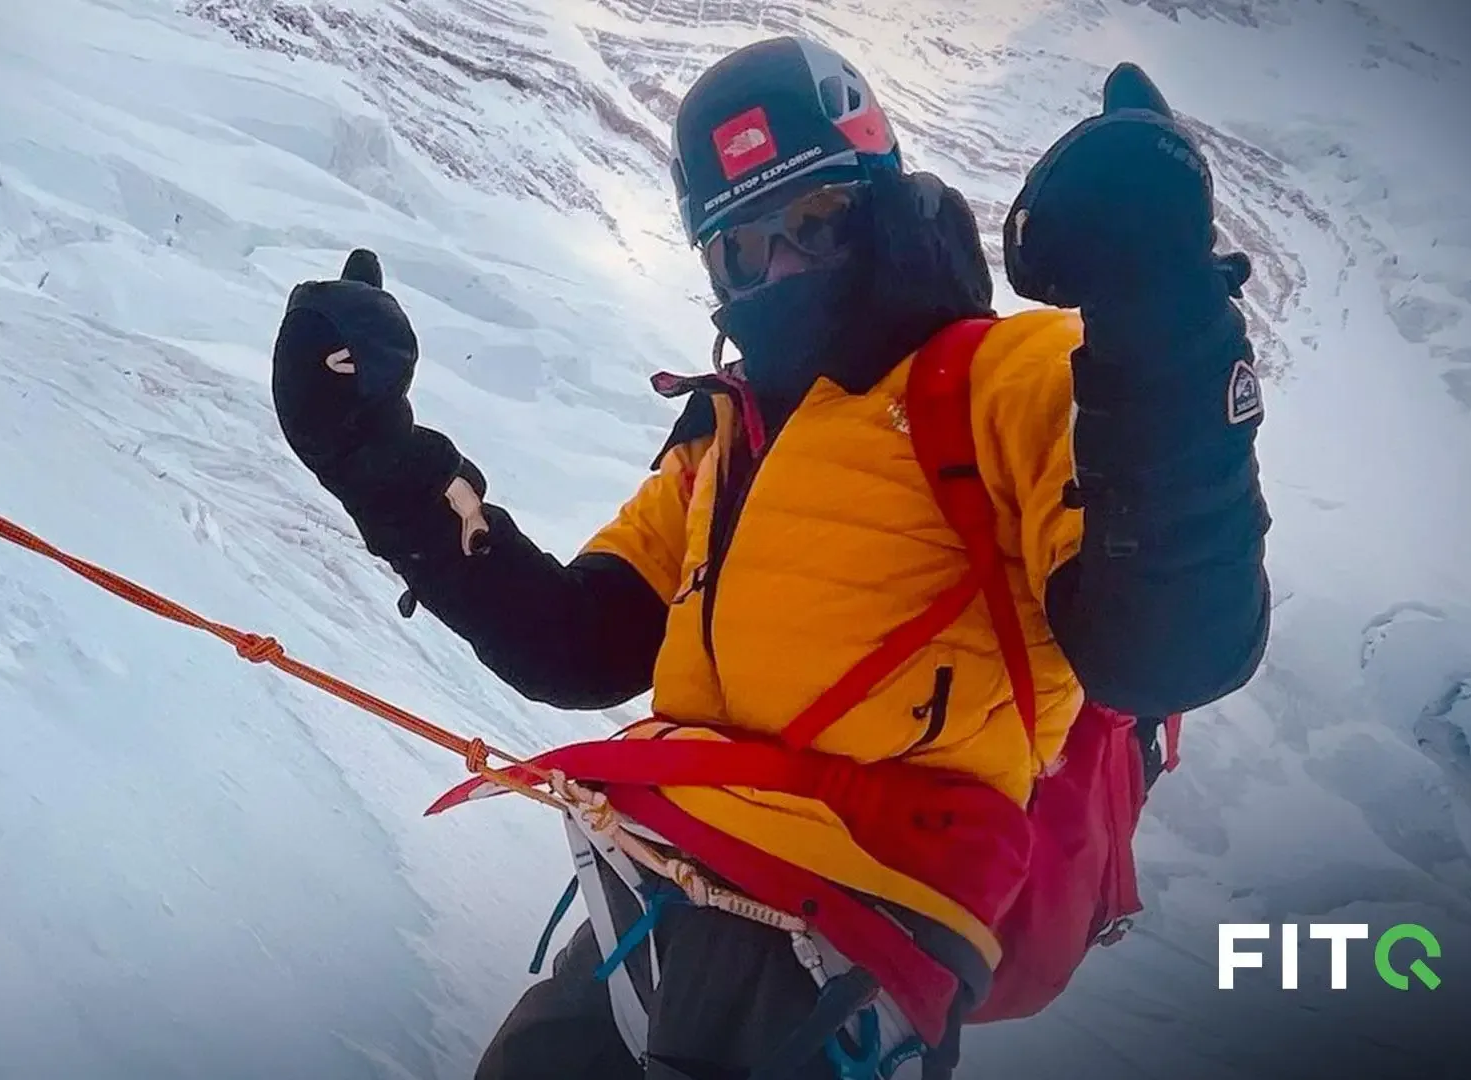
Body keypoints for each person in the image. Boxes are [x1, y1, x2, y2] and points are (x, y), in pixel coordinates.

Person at [270, 34, 1270, 1080]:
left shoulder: (1009, 377)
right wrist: (373, 458)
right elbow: (576, 643)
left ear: (882, 199)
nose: (781, 267)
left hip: (852, 925)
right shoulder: (730, 435)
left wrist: (1162, 315)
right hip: (654, 892)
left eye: (814, 221)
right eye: (741, 250)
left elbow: (1173, 649)